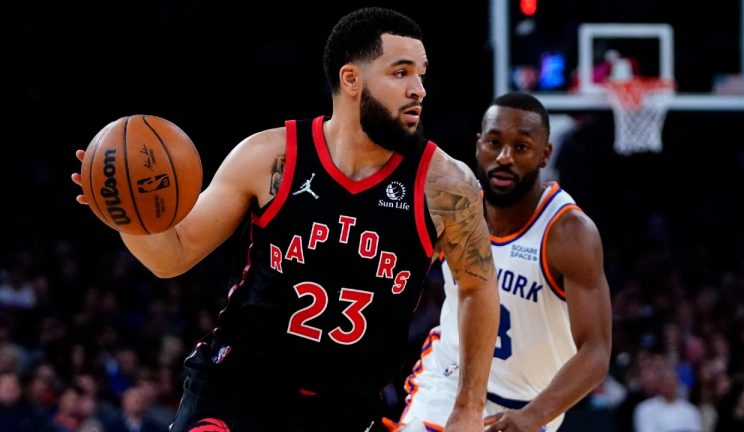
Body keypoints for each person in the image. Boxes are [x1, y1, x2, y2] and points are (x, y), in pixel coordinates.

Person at [71, 7, 499, 432]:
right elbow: (172, 256)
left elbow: (478, 288)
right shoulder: (269, 156)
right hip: (237, 391)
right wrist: (126, 212)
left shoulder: (445, 185)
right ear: (351, 80)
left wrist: (468, 406)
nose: (419, 89)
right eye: (401, 73)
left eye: (421, 74)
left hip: (345, 409)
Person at [396, 91, 612, 432]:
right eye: (494, 143)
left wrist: (533, 417)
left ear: (545, 155)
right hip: (448, 381)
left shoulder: (569, 233)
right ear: (479, 145)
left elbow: (596, 352)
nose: (504, 157)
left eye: (521, 147)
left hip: (529, 406)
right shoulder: (457, 208)